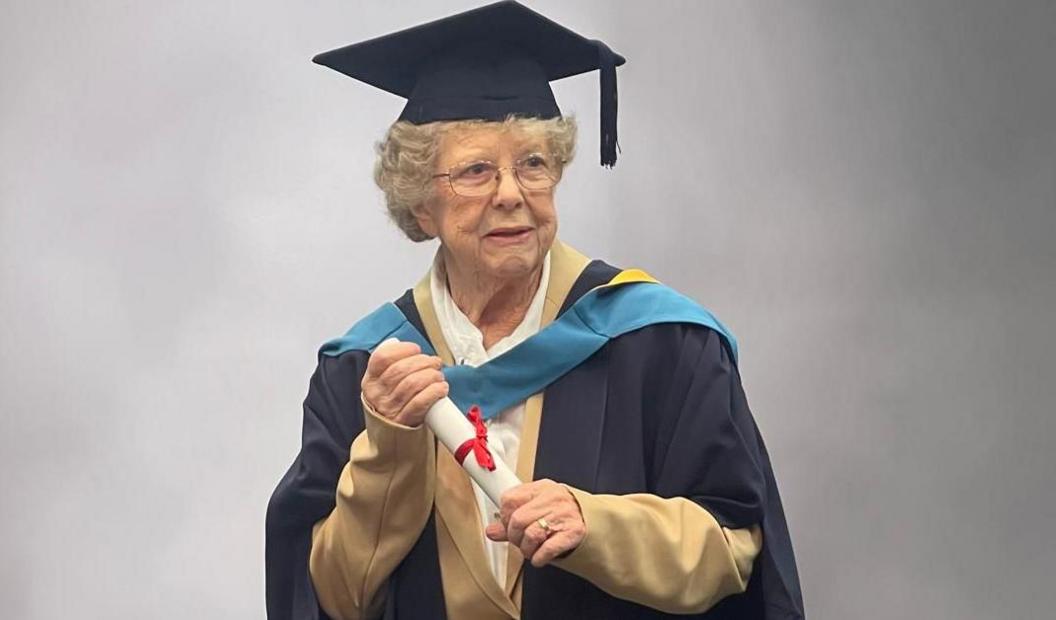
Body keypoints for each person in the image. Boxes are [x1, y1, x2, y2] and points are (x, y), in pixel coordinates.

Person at [266, 2, 803, 619]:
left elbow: (736, 551)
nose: (511, 194)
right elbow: (333, 597)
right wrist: (389, 449)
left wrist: (597, 525)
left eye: (534, 165)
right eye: (475, 171)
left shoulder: (658, 341)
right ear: (420, 207)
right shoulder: (364, 371)